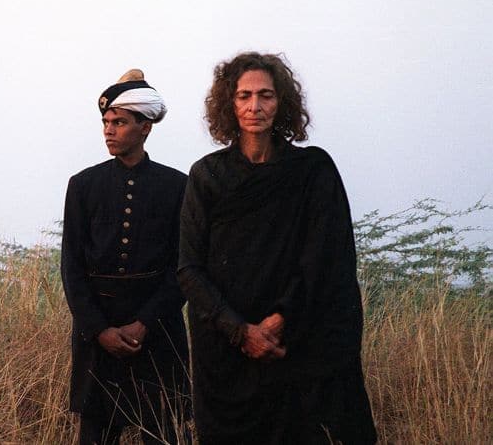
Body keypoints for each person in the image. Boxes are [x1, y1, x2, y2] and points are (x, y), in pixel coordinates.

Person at [177, 52, 376, 444]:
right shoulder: (207, 175)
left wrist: (277, 321)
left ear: (281, 101)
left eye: (266, 95)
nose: (255, 106)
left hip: (298, 347)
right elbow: (188, 268)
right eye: (244, 96)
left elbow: (325, 258)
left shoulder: (312, 171)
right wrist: (240, 331)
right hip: (226, 355)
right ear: (228, 104)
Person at [61, 69, 191, 445]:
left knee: (165, 431)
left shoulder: (178, 185)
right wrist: (99, 329)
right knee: (96, 434)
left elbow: (181, 266)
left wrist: (144, 323)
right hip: (97, 331)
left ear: (145, 126)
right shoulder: (83, 185)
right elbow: (72, 266)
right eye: (106, 122)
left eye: (119, 122)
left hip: (157, 329)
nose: (109, 130)